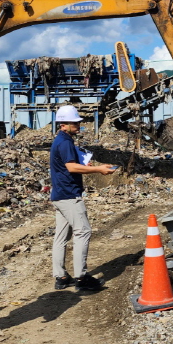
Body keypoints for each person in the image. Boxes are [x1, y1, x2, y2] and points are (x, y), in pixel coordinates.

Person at [50, 105, 116, 291]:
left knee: (61, 236)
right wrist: (98, 169)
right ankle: (81, 278)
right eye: (75, 122)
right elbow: (71, 168)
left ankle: (61, 276)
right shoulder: (65, 142)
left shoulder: (62, 140)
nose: (78, 124)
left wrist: (91, 165)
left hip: (59, 195)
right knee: (83, 231)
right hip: (69, 195)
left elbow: (69, 165)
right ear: (63, 124)